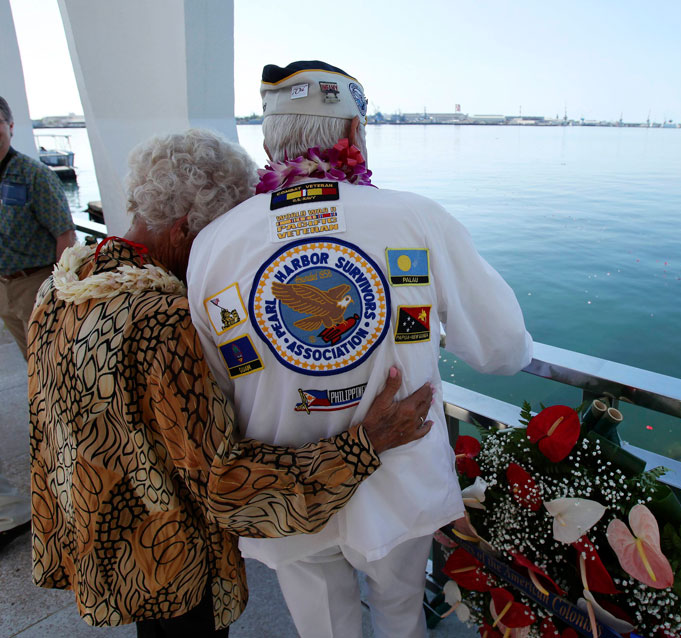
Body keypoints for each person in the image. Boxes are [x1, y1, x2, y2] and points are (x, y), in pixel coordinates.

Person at [27, 128, 434, 636]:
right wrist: (367, 444)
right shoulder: (163, 322)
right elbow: (225, 482)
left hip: (99, 532)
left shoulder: (63, 287)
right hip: (170, 557)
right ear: (182, 232)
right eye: (216, 235)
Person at [186, 61, 533, 638]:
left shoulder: (215, 242)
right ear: (353, 136)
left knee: (322, 627)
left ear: (269, 142)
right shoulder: (415, 218)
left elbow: (214, 382)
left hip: (285, 490)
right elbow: (501, 350)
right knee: (400, 615)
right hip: (398, 482)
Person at [0, 95, 76, 551]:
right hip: (3, 286)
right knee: (32, 369)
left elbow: (65, 235)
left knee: (51, 368)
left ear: (8, 125)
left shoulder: (33, 175)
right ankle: (51, 436)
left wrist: (59, 292)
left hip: (33, 284)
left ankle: (67, 444)